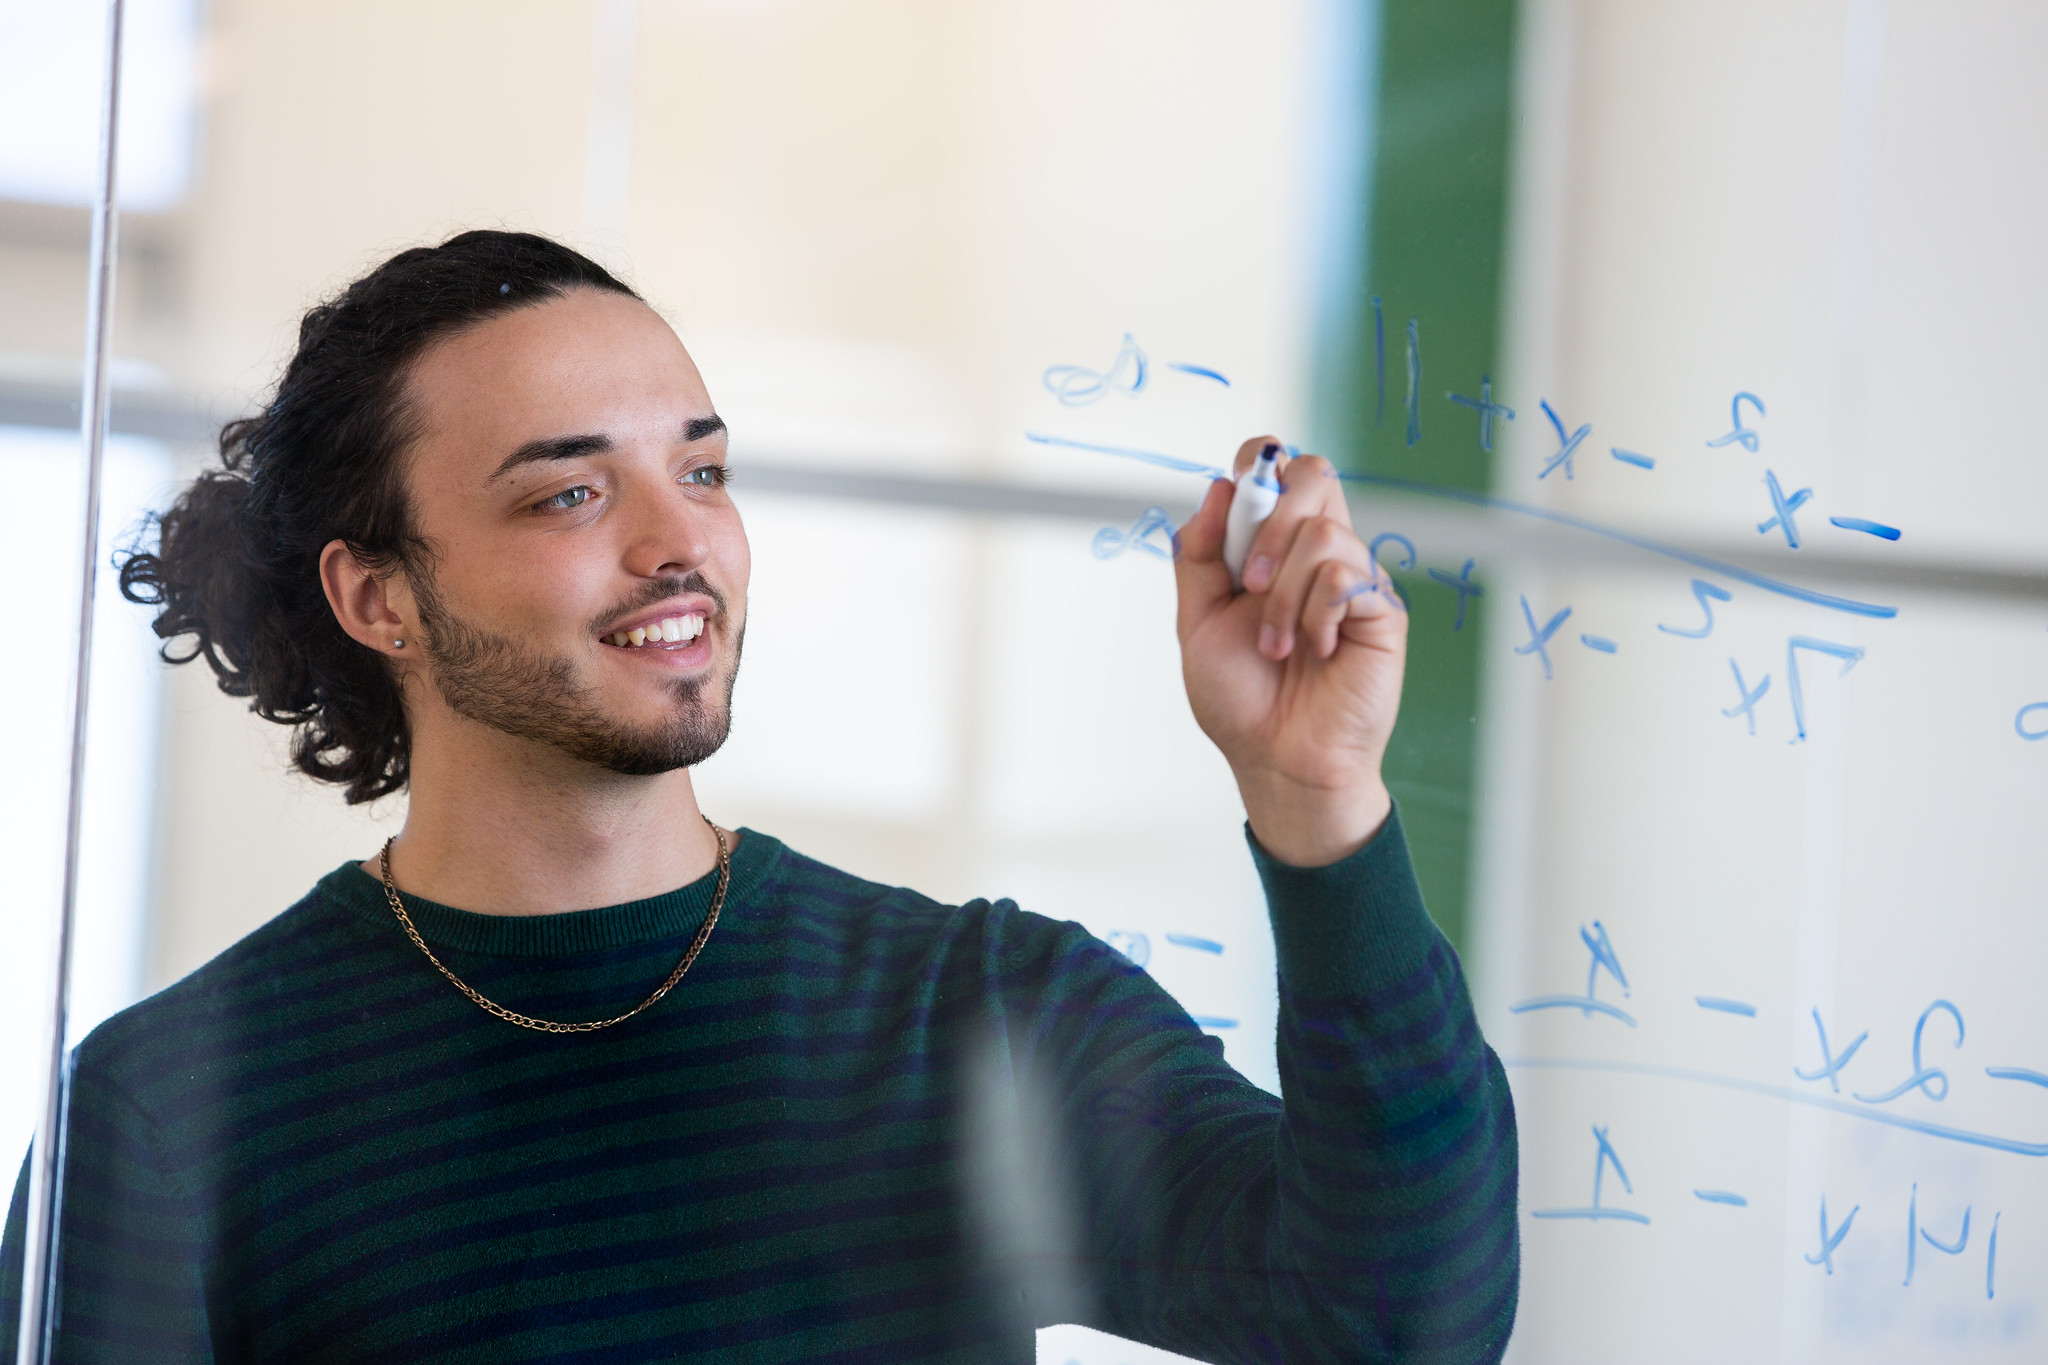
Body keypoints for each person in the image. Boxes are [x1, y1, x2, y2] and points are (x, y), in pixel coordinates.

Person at [2, 231, 1517, 1363]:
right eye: (570, 493)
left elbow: (1397, 1319)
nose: (682, 543)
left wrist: (1317, 805)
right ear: (379, 596)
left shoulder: (970, 1011)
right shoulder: (167, 1116)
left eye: (705, 472)